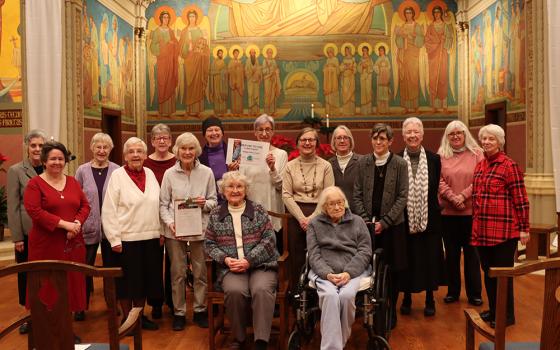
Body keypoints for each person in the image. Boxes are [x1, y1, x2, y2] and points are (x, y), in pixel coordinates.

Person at [205, 171, 279, 350]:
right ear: (223, 191)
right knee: (234, 291)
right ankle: (239, 338)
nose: (235, 190)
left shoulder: (258, 210)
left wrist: (249, 260)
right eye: (230, 186)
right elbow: (209, 244)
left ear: (246, 190)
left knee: (261, 290)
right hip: (231, 267)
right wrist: (226, 259)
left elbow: (269, 240)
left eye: (239, 186)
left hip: (261, 265)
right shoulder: (216, 214)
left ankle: (261, 340)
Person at [102, 137, 163, 331]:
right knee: (127, 282)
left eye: (139, 151)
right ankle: (127, 321)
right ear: (125, 155)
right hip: (126, 239)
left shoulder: (150, 173)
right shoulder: (117, 176)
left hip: (151, 237)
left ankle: (139, 317)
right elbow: (109, 209)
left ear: (145, 155)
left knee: (145, 280)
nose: (135, 155)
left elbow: (159, 203)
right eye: (131, 151)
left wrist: (161, 231)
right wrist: (114, 238)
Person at [23, 141, 90, 316]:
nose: (57, 162)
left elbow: (85, 206)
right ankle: (46, 330)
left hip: (72, 243)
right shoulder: (34, 184)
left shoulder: (73, 182)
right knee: (47, 285)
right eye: (53, 158)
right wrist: (64, 224)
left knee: (70, 283)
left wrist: (76, 223)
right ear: (44, 161)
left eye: (61, 158)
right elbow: (34, 211)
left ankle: (66, 329)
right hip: (46, 245)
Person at [472, 124, 530, 328]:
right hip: (482, 232)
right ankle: (495, 310)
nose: (487, 142)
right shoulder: (480, 165)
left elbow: (521, 199)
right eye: (484, 138)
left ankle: (506, 315)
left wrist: (524, 228)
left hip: (504, 233)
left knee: (503, 275)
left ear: (500, 142)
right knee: (488, 273)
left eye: (491, 139)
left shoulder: (509, 165)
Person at [159, 132, 217, 330]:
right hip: (175, 233)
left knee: (200, 273)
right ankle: (179, 313)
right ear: (177, 151)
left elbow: (214, 201)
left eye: (191, 148)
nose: (187, 152)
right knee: (177, 273)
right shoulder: (169, 174)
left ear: (197, 151)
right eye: (183, 148)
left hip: (201, 230)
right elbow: (163, 204)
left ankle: (200, 310)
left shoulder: (207, 173)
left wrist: (204, 204)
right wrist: (170, 223)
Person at [353, 123, 408, 329]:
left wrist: (384, 223)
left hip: (393, 227)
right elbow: (357, 193)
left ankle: (389, 310)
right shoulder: (362, 162)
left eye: (383, 139)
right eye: (375, 138)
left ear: (390, 141)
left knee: (392, 270)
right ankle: (368, 309)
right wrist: (367, 220)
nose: (378, 142)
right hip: (366, 225)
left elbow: (403, 196)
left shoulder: (400, 164)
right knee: (368, 267)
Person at [307, 186, 372, 350]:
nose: (337, 207)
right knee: (330, 295)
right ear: (324, 207)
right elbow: (313, 254)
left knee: (346, 295)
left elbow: (365, 251)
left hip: (352, 272)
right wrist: (327, 274)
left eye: (340, 203)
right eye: (332, 204)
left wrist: (349, 273)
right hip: (325, 273)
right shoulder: (314, 224)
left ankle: (336, 345)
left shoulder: (357, 222)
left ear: (345, 203)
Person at [398, 117, 444, 317]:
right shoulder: (397, 159)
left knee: (429, 260)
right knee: (407, 259)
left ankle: (429, 299)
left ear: (422, 135)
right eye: (408, 132)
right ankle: (406, 297)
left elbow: (437, 188)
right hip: (405, 219)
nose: (412, 135)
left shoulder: (434, 159)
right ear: (403, 135)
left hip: (430, 220)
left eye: (416, 131)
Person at [437, 121, 483, 306]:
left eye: (459, 133)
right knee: (452, 255)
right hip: (448, 213)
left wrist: (463, 196)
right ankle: (453, 291)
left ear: (465, 134)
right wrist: (452, 197)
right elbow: (438, 180)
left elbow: (480, 178)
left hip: (471, 212)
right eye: (451, 134)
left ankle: (475, 294)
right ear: (447, 137)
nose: (455, 136)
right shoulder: (441, 154)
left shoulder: (477, 153)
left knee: (472, 255)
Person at [74, 133, 120, 320]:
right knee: (84, 268)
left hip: (111, 229)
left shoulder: (117, 170)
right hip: (88, 228)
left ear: (111, 149)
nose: (101, 151)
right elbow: (75, 199)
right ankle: (80, 306)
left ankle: (113, 304)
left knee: (112, 269)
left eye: (105, 147)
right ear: (91, 148)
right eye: (98, 147)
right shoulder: (82, 171)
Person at [282, 127, 335, 289]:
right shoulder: (289, 166)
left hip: (321, 216)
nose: (307, 143)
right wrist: (301, 218)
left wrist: (312, 218)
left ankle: (319, 293)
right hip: (295, 216)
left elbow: (328, 194)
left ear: (316, 143)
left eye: (311, 140)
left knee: (319, 255)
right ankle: (297, 292)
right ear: (297, 144)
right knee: (296, 257)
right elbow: (286, 195)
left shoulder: (326, 166)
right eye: (303, 140)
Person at [7, 129, 46, 334]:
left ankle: (47, 312)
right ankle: (27, 316)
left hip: (48, 233)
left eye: (40, 145)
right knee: (26, 276)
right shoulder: (16, 171)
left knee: (47, 274)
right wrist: (17, 237)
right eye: (33, 145)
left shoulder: (52, 166)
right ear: (27, 147)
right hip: (27, 235)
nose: (37, 149)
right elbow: (13, 206)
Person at [240, 114, 288, 251]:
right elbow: (242, 185)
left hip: (273, 210)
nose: (264, 133)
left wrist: (272, 168)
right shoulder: (246, 152)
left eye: (268, 129)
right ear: (255, 132)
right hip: (251, 211)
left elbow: (281, 186)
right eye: (260, 130)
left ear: (273, 132)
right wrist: (235, 171)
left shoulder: (281, 154)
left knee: (274, 252)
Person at [143, 123, 176, 319]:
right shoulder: (145, 163)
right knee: (154, 263)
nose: (162, 141)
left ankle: (173, 302)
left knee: (174, 262)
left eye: (165, 137)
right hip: (151, 219)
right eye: (158, 138)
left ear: (171, 140)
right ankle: (155, 302)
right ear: (152, 141)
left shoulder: (178, 161)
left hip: (174, 219)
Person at [394, 6, 424, 113]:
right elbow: (398, 42)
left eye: (410, 13)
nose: (408, 15)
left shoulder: (417, 26)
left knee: (413, 79)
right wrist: (399, 35)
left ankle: (415, 106)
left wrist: (413, 36)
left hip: (413, 54)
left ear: (413, 14)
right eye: (406, 13)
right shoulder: (402, 26)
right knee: (405, 79)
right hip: (404, 54)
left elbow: (421, 40)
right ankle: (406, 107)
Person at [179, 10, 209, 116]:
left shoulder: (200, 31)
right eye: (190, 16)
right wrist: (188, 46)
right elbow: (181, 48)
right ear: (188, 18)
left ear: (196, 18)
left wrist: (202, 52)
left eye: (193, 16)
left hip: (199, 62)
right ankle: (189, 109)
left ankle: (197, 110)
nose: (192, 18)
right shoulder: (184, 31)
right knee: (190, 84)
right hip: (189, 61)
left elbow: (204, 46)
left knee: (198, 84)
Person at [199, 116, 236, 203]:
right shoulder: (199, 158)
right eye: (210, 130)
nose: (214, 133)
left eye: (217, 129)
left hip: (233, 200)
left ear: (222, 133)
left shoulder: (234, 153)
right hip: (210, 203)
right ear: (204, 134)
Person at [149, 10, 179, 117]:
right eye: (164, 17)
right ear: (161, 18)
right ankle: (162, 111)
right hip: (162, 61)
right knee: (162, 83)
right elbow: (152, 46)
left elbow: (176, 43)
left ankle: (170, 111)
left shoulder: (170, 31)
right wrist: (164, 46)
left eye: (167, 17)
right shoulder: (157, 31)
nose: (166, 19)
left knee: (170, 83)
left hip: (170, 62)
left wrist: (173, 43)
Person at [424, 5, 453, 112]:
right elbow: (426, 39)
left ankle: (444, 105)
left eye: (438, 12)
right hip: (433, 56)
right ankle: (434, 106)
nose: (436, 14)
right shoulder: (430, 27)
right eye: (435, 12)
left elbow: (450, 38)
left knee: (442, 78)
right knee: (433, 79)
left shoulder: (445, 26)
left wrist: (445, 39)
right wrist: (436, 42)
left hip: (443, 54)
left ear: (441, 13)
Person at [328, 125, 362, 212]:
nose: (342, 141)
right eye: (339, 138)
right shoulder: (328, 164)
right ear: (334, 141)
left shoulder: (362, 161)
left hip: (358, 214)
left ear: (350, 141)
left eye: (345, 138)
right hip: (335, 213)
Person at [262, 47, 281, 115]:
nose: (270, 54)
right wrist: (269, 70)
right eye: (269, 52)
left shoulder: (273, 61)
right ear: (266, 53)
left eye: (271, 53)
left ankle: (272, 110)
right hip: (267, 79)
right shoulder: (265, 61)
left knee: (273, 94)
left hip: (273, 79)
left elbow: (276, 68)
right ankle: (267, 110)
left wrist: (276, 71)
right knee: (267, 94)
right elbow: (263, 71)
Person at [209, 48, 228, 115]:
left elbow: (226, 71)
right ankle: (217, 111)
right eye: (220, 53)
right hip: (216, 81)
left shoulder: (223, 62)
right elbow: (211, 72)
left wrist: (224, 72)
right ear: (217, 54)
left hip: (222, 81)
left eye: (222, 53)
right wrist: (218, 72)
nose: (221, 54)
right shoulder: (214, 62)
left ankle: (222, 111)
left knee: (222, 94)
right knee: (217, 95)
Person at [373, 45, 391, 114]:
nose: (380, 52)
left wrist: (384, 68)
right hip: (380, 78)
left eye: (382, 50)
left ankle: (386, 110)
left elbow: (389, 67)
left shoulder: (386, 59)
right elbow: (375, 67)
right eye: (379, 50)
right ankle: (380, 110)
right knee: (380, 94)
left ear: (384, 51)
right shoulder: (378, 59)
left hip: (385, 78)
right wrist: (379, 69)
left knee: (385, 94)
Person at [323, 46, 340, 115]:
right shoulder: (327, 60)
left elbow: (338, 70)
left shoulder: (335, 59)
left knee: (334, 94)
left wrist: (332, 68)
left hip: (333, 81)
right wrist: (327, 68)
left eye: (330, 52)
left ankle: (334, 111)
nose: (329, 54)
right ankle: (328, 111)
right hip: (328, 81)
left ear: (333, 52)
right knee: (328, 96)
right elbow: (324, 69)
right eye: (328, 53)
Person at [245, 47, 262, 116]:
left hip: (256, 81)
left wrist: (257, 73)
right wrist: (250, 73)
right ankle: (250, 110)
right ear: (249, 54)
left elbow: (259, 69)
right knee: (250, 94)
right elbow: (246, 70)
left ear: (255, 53)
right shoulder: (247, 61)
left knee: (256, 94)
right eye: (251, 52)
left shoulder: (257, 61)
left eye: (254, 52)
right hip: (250, 81)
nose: (253, 54)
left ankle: (256, 110)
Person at [339, 45, 356, 115]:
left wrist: (351, 68)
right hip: (345, 77)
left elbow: (355, 69)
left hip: (351, 77)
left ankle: (351, 111)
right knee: (345, 92)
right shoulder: (343, 59)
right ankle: (345, 111)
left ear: (350, 51)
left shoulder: (353, 59)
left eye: (347, 50)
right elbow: (340, 68)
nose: (346, 52)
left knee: (351, 93)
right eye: (345, 50)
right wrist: (345, 67)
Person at [228, 49, 245, 115]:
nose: (236, 54)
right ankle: (234, 112)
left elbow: (242, 72)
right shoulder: (230, 62)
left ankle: (239, 111)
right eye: (235, 53)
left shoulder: (240, 62)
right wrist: (234, 67)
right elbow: (229, 71)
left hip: (239, 82)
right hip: (233, 82)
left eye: (237, 53)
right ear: (233, 54)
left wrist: (241, 67)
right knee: (234, 97)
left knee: (239, 98)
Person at [358, 45, 373, 115]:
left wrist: (367, 66)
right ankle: (364, 110)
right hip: (362, 77)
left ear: (367, 51)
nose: (364, 51)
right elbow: (358, 68)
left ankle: (369, 110)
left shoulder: (370, 59)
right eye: (363, 50)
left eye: (365, 50)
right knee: (363, 92)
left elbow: (371, 68)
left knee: (368, 91)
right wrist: (362, 66)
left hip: (368, 77)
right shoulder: (361, 59)